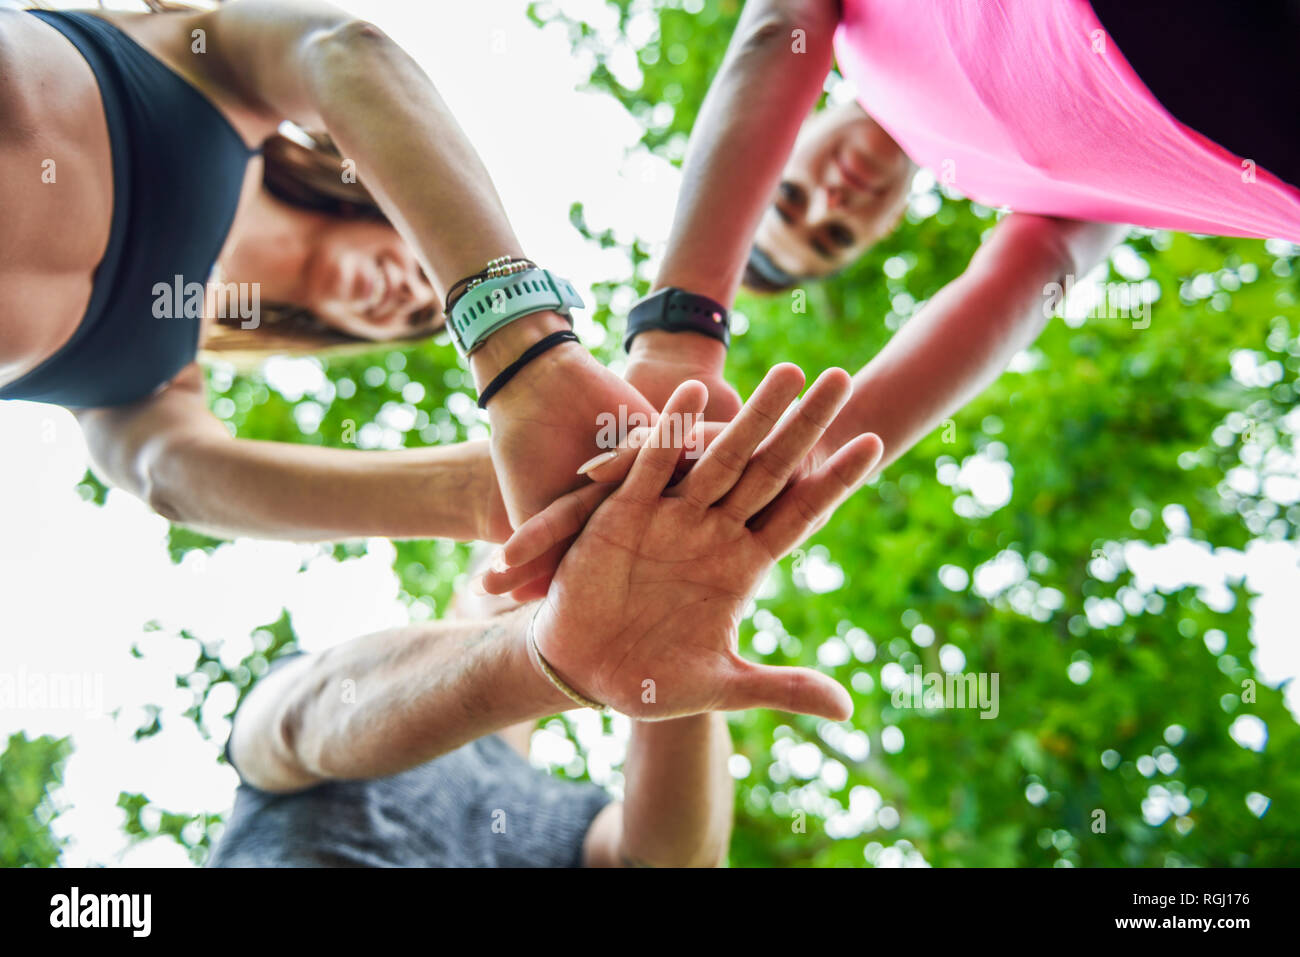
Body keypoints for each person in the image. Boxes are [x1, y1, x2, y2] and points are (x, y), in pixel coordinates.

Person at [0, 0, 659, 542]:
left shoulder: (154, 386)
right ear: (388, 205)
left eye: (410, 318)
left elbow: (169, 479)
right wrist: (525, 348)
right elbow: (343, 50)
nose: (408, 295)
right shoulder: (219, 79)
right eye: (430, 283)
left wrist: (482, 496)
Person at [209, 366, 884, 866]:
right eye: (520, 558)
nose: (549, 578)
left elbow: (666, 860)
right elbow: (301, 721)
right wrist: (533, 655)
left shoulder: (567, 813)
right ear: (458, 597)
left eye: (565, 559)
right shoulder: (345, 685)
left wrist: (669, 667)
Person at [621, 0, 1300, 481]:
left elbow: (776, 25)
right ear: (879, 233)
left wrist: (677, 334)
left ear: (783, 140)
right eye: (834, 237)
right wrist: (800, 461)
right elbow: (1034, 278)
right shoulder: (1014, 192)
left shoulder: (845, 24)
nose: (831, 202)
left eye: (788, 195)